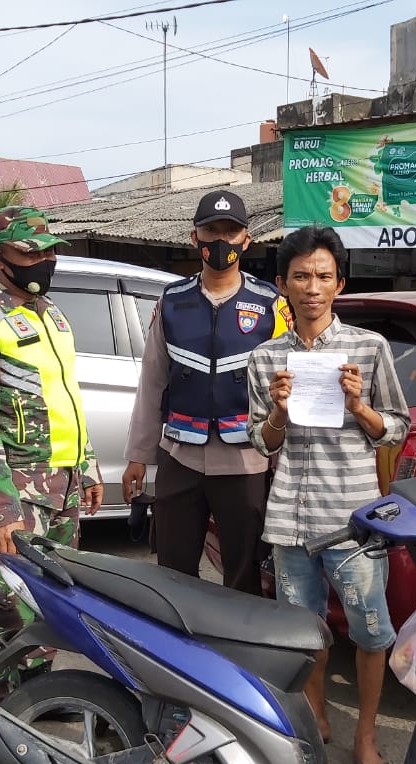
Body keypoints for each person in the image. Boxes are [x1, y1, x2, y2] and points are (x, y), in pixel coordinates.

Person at [247, 225, 410, 764]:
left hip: (352, 520)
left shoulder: (369, 348)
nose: (311, 288)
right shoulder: (266, 358)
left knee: (370, 632)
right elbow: (261, 443)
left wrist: (360, 407)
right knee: (305, 631)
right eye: (300, 277)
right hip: (290, 517)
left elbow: (396, 430)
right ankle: (316, 716)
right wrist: (278, 412)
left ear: (339, 283)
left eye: (322, 276)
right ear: (281, 286)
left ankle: (365, 733)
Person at [0, 206, 103, 714]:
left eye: (49, 250)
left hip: (62, 488)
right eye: (29, 252)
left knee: (49, 607)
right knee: (3, 608)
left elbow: (65, 396)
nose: (43, 260)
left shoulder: (50, 313)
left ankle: (31, 701)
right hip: (17, 495)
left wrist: (88, 466)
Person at [122, 190, 291, 595]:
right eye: (210, 230)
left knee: (244, 572)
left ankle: (239, 651)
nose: (221, 241)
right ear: (194, 237)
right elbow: (153, 381)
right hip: (180, 454)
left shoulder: (271, 305)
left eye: (230, 231)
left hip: (245, 460)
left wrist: (284, 458)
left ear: (247, 240)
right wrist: (138, 457)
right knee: (173, 571)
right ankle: (180, 651)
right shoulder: (172, 302)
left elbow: (287, 386)